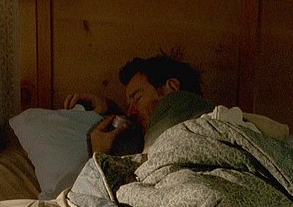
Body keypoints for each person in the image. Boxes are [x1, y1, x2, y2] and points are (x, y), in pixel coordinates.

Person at [64, 53, 206, 155]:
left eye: (137, 98)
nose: (130, 112)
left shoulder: (180, 121)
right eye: (128, 106)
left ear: (172, 87)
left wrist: (99, 155)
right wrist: (109, 108)